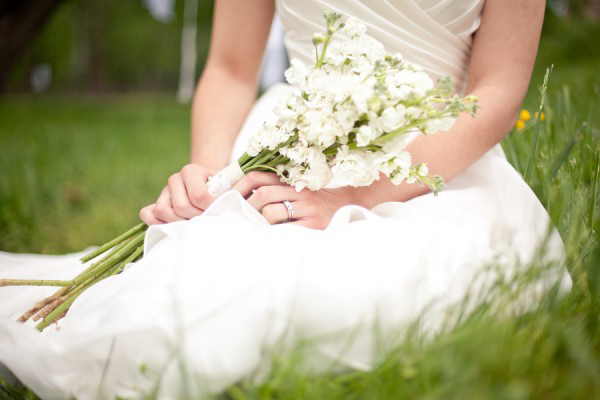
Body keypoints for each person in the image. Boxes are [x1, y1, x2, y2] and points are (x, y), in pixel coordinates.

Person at [0, 0, 572, 399]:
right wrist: (206, 174)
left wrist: (359, 193)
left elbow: (496, 91)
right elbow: (229, 66)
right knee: (178, 304)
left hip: (439, 166)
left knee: (347, 298)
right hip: (289, 146)